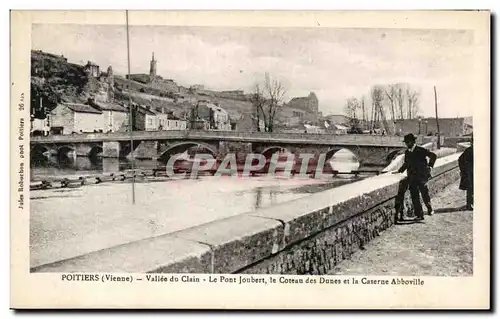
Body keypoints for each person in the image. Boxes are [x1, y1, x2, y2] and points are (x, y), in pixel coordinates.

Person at [393, 133, 437, 221]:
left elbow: (433, 156)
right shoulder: (407, 152)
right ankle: (419, 214)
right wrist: (399, 171)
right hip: (412, 177)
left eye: (407, 142)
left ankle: (429, 208)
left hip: (421, 177)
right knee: (414, 196)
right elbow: (406, 163)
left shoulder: (421, 150)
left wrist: (430, 166)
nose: (406, 144)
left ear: (412, 142)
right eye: (405, 143)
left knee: (425, 193)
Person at [458, 138, 474, 210]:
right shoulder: (468, 150)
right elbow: (460, 159)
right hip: (470, 172)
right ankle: (469, 204)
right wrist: (463, 170)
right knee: (470, 188)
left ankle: (472, 203)